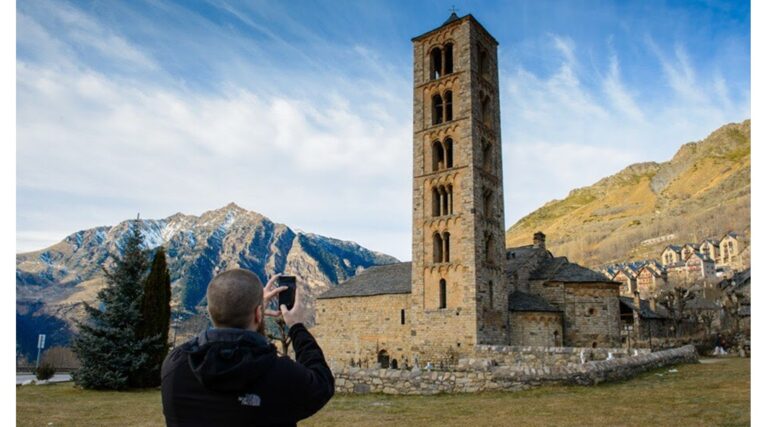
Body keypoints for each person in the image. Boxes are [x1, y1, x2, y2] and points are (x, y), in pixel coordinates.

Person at [161, 269, 334, 426]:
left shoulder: (175, 365)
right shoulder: (282, 375)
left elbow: (197, 344)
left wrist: (252, 310)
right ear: (259, 314)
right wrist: (296, 326)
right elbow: (322, 382)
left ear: (210, 310)